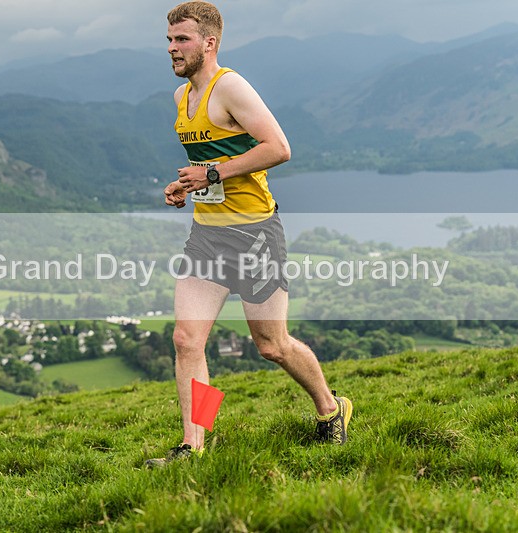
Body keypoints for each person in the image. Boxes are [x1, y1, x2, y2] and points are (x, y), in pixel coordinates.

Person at [146, 1, 351, 467]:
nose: (173, 50)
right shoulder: (182, 99)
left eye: (182, 40)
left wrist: (211, 174)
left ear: (209, 43)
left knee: (271, 345)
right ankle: (194, 444)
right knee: (187, 340)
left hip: (255, 235)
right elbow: (210, 167)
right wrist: (184, 184)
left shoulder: (230, 87)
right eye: (170, 41)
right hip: (207, 237)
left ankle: (331, 408)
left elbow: (279, 148)